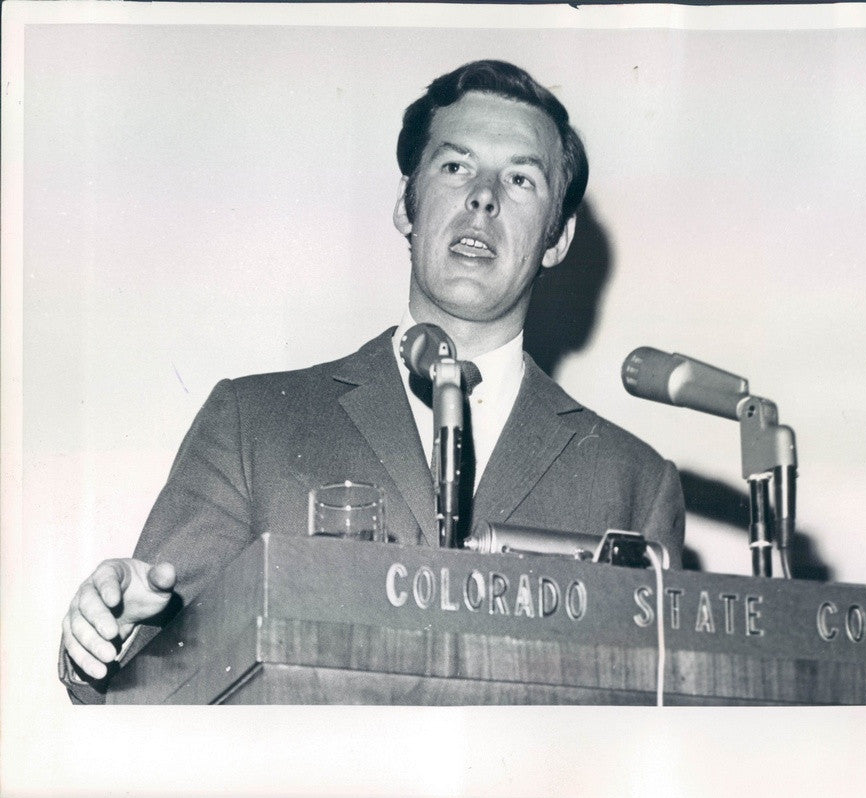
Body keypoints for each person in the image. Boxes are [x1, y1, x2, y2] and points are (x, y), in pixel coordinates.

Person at [58, 60, 686, 703]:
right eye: (456, 166)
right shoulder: (254, 421)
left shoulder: (633, 481)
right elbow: (150, 680)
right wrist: (115, 640)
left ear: (558, 238)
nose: (484, 196)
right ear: (405, 205)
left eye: (521, 178)